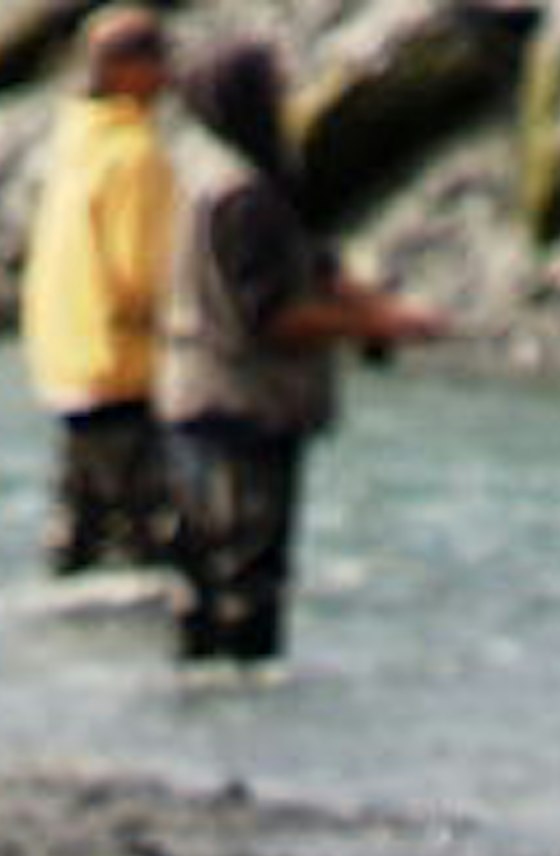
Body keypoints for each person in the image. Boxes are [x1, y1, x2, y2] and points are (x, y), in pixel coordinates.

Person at [154, 34, 439, 666]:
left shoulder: (201, 173)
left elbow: (308, 267)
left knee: (202, 581)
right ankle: (245, 734)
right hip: (242, 407)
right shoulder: (247, 193)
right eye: (275, 90)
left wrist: (368, 307)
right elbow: (273, 318)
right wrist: (376, 325)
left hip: (192, 397)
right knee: (247, 584)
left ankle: (200, 728)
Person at [20, 7, 178, 581]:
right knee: (147, 538)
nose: (167, 73)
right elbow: (139, 272)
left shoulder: (74, 141)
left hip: (67, 361)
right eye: (157, 57)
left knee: (76, 535)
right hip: (124, 364)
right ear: (126, 69)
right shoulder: (133, 153)